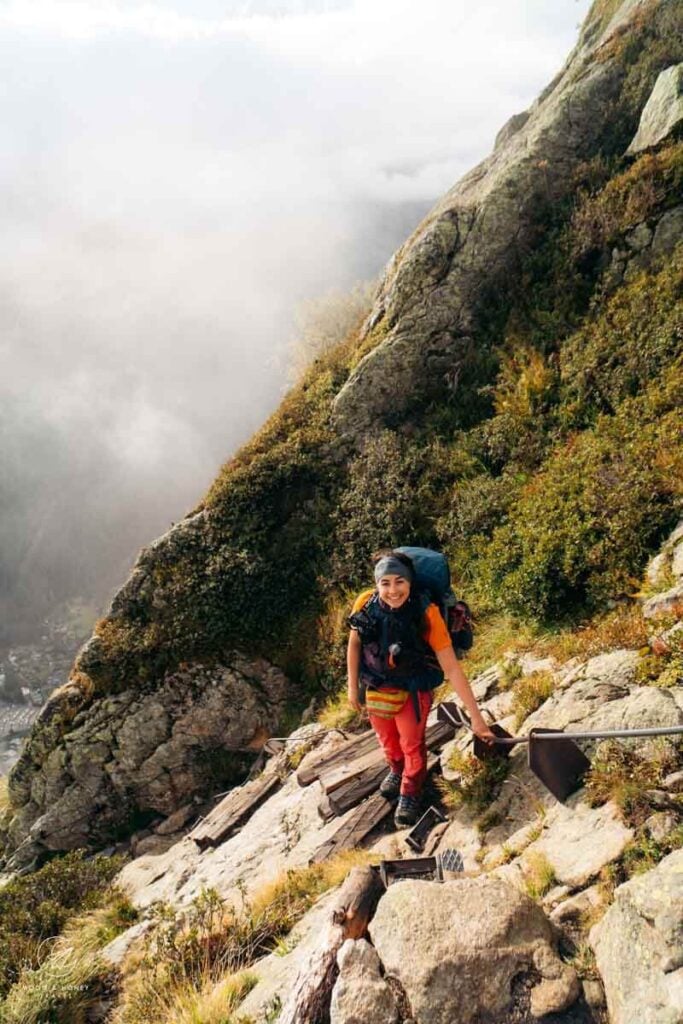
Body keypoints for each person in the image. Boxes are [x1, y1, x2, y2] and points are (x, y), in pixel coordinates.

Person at [347, 549, 495, 827]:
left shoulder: (426, 613)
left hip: (414, 690)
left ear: (410, 582)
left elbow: (451, 668)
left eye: (400, 582)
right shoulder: (365, 604)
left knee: (411, 745)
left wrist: (477, 719)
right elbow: (355, 643)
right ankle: (395, 768)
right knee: (388, 743)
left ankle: (410, 791)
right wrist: (352, 687)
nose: (393, 590)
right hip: (377, 685)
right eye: (385, 583)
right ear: (376, 584)